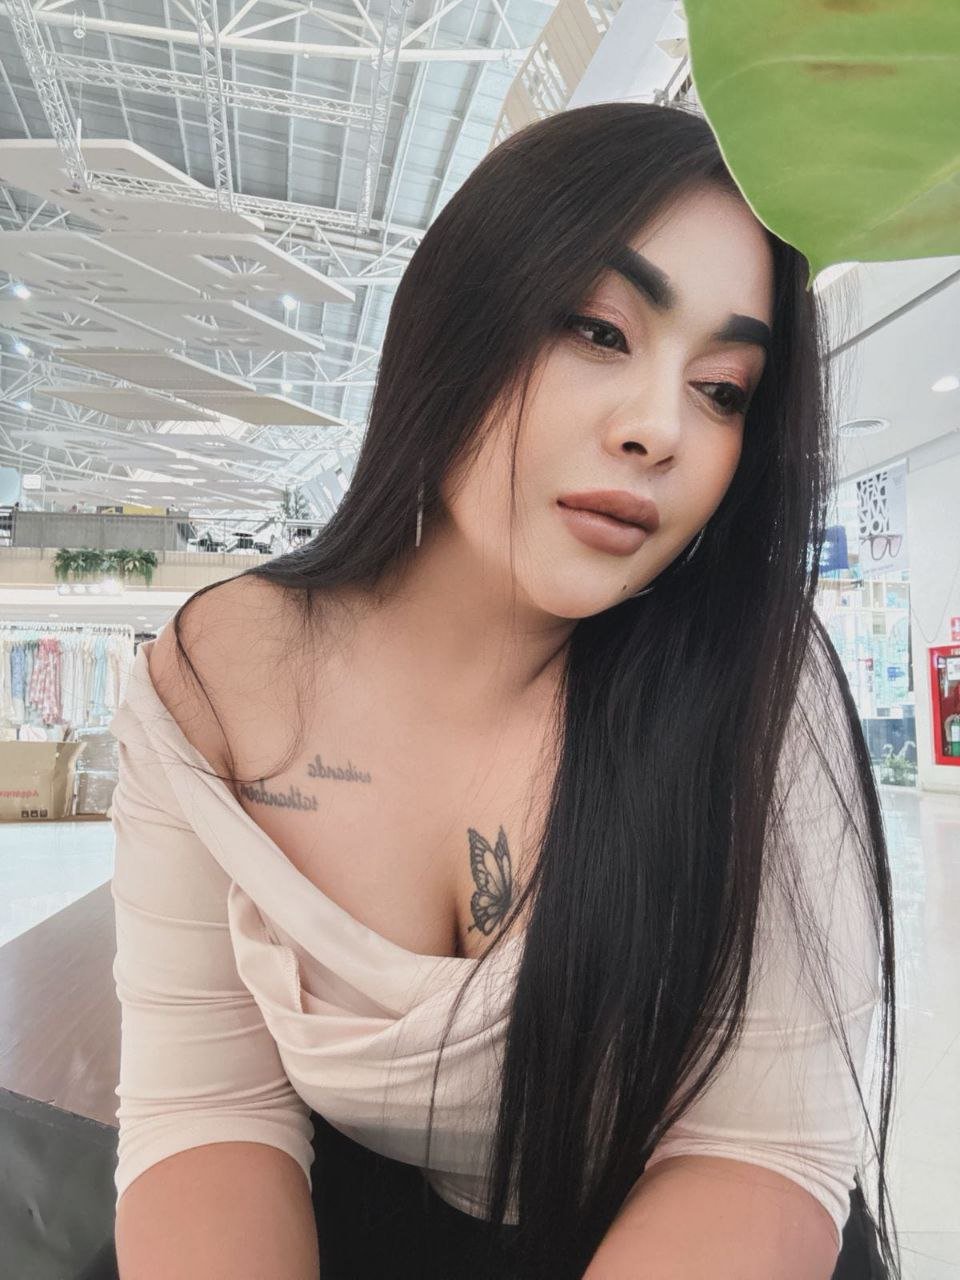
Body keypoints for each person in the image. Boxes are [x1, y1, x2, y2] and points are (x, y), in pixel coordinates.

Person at [108, 102, 899, 1280]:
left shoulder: (757, 691)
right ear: (456, 320)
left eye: (724, 389)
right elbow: (206, 1110)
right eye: (600, 330)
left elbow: (760, 1150)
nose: (659, 430)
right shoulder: (221, 683)